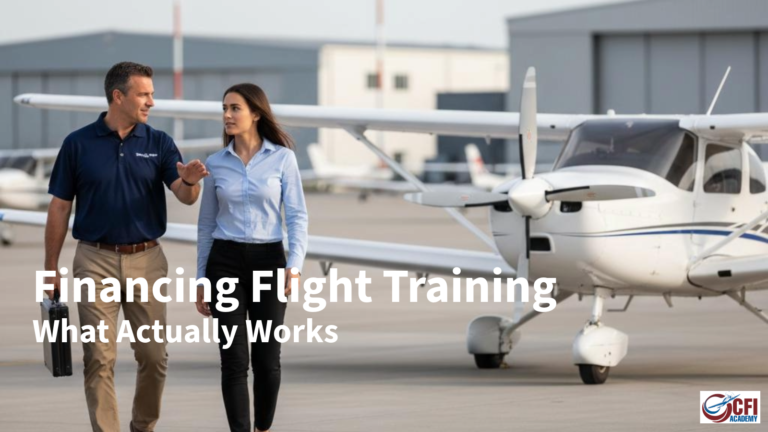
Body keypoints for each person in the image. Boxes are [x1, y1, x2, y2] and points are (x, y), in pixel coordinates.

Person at [44, 61, 209, 432]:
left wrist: (189, 181)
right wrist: (50, 268)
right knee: (98, 357)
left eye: (152, 94)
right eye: (143, 94)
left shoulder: (159, 142)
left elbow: (184, 195)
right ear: (118, 96)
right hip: (94, 260)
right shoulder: (77, 144)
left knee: (154, 357)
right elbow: (59, 207)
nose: (151, 101)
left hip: (147, 260)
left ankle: (142, 426)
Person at [195, 83, 308, 432]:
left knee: (267, 360)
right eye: (224, 109)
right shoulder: (215, 163)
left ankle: (263, 427)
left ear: (256, 113)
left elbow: (297, 217)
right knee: (233, 360)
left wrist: (294, 266)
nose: (227, 115)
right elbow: (206, 225)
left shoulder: (283, 159)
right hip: (224, 262)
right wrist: (201, 279)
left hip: (269, 262)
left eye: (235, 108)